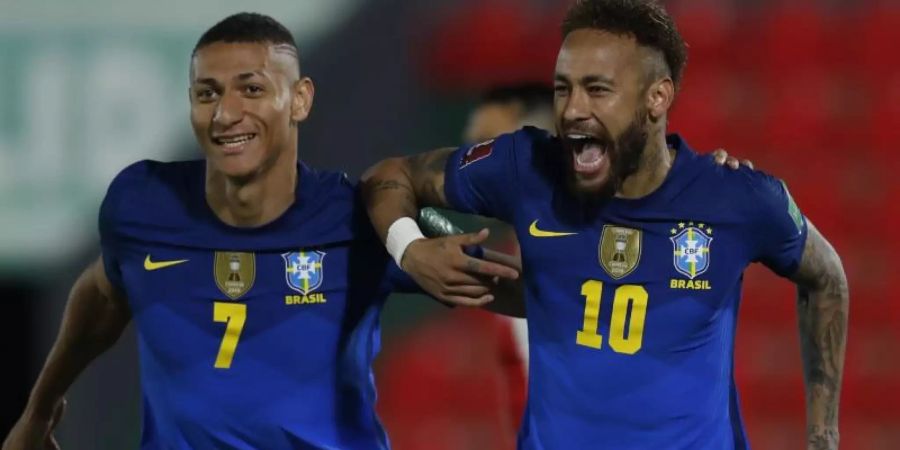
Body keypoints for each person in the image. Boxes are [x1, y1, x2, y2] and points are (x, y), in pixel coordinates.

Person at [2, 13, 523, 450]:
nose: (227, 113)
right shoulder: (141, 204)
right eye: (208, 94)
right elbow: (101, 291)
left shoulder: (363, 219)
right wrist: (41, 408)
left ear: (300, 99)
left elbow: (523, 289)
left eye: (252, 89)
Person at [361, 0, 849, 449]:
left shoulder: (736, 198)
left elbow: (827, 278)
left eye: (597, 89)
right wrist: (412, 250)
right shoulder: (526, 168)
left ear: (657, 98)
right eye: (563, 88)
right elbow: (389, 177)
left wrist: (823, 434)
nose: (573, 109)